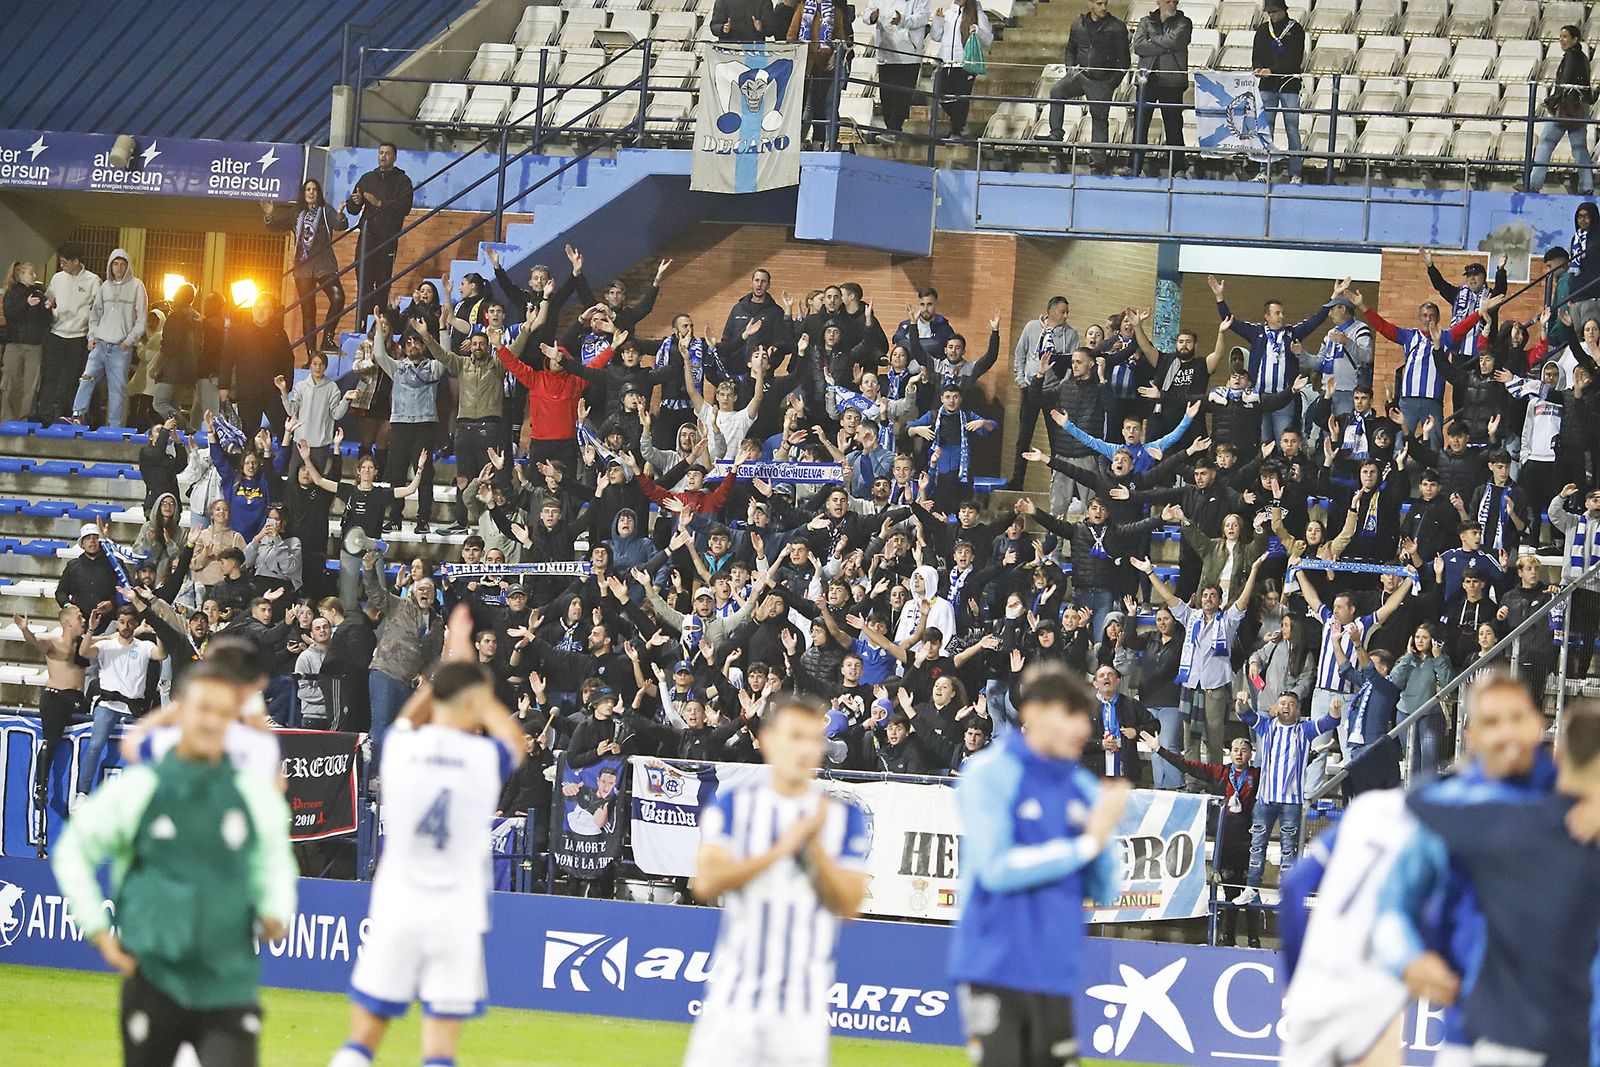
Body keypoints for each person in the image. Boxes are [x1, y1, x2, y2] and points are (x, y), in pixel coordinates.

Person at [51, 662, 295, 1067]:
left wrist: (276, 907)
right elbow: (73, 850)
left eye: (222, 712)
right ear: (180, 714)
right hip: (154, 979)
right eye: (203, 709)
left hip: (227, 983)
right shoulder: (143, 787)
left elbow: (275, 859)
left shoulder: (251, 793)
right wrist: (96, 927)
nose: (211, 721)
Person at [330, 635, 525, 1067]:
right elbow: (516, 741)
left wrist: (444, 677)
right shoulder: (483, 757)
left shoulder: (405, 748)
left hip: (400, 900)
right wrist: (478, 687)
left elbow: (405, 719)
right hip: (457, 911)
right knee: (440, 1045)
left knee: (363, 1039)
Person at [1396, 699, 1600, 1067]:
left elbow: (1420, 801)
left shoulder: (1512, 822)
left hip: (1500, 1039)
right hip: (1568, 1045)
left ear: (1559, 753)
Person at [948, 664, 1126, 1065]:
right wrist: (1085, 845)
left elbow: (1103, 888)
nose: (1083, 730)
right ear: (1036, 714)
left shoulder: (1080, 785)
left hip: (1054, 969)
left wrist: (1104, 834)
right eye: (1073, 718)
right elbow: (997, 869)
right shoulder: (988, 773)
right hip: (996, 965)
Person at [682, 694, 870, 1067]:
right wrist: (783, 847)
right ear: (768, 741)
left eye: (812, 739)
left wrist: (814, 851)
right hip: (733, 999)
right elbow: (706, 882)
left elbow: (849, 904)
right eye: (793, 736)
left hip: (802, 1007)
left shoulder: (842, 816)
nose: (803, 748)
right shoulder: (735, 804)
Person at [1276, 787, 1412, 1067]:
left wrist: (1295, 973)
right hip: (1375, 986)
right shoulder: (1445, 830)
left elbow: (1293, 885)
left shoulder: (1366, 810)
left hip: (1318, 981)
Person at [1134, 552, 1264, 765]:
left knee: (1213, 741)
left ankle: (1214, 785)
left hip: (1215, 689)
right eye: (1205, 595)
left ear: (1220, 600)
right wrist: (1150, 572)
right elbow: (1169, 598)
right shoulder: (1190, 617)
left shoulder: (1228, 621)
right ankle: (1193, 783)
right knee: (1190, 741)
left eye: (1213, 596)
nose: (1208, 599)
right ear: (1200, 598)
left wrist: (1254, 571)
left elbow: (1242, 601)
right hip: (1191, 685)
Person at [1232, 689, 1339, 905]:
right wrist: (1241, 702)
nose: (1286, 707)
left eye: (1291, 703)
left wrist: (1335, 711)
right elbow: (1246, 715)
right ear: (1276, 707)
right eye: (1282, 703)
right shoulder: (1267, 725)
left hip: (1292, 801)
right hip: (1265, 799)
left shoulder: (1305, 729)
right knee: (1257, 845)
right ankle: (1251, 887)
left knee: (1289, 849)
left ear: (1298, 709)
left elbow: (1329, 722)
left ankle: (1286, 892)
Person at [13, 606, 87, 816]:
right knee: (51, 740)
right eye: (79, 616)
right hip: (56, 696)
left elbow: (108, 640)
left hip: (77, 698)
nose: (83, 619)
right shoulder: (54, 642)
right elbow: (35, 642)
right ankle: (41, 785)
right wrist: (25, 630)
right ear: (68, 622)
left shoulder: (83, 643)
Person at [265, 178, 350, 360]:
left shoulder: (325, 211)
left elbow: (340, 225)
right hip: (303, 268)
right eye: (308, 190)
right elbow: (275, 226)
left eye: (314, 190)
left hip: (324, 264)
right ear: (303, 193)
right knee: (308, 310)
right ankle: (312, 355)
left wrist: (341, 215)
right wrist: (270, 213)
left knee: (338, 297)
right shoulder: (296, 213)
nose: (311, 193)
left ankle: (327, 338)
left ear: (319, 193)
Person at [1042, 0, 1128, 174]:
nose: (1103, 7)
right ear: (1090, 4)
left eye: (1105, 3)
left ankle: (1098, 162)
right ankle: (1056, 136)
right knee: (1056, 91)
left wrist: (1111, 83)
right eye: (1099, 3)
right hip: (1081, 75)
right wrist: (1070, 70)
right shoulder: (1078, 24)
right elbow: (1070, 49)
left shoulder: (1117, 27)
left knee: (1099, 118)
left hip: (1102, 81)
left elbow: (1124, 60)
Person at [67, 247, 147, 428]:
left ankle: (114, 427)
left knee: (117, 390)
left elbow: (141, 319)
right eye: (115, 264)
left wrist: (128, 341)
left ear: (128, 266)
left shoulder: (137, 286)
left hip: (120, 348)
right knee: (86, 379)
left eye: (122, 264)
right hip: (100, 344)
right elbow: (94, 315)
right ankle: (77, 416)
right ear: (110, 266)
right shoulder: (105, 287)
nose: (118, 268)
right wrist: (91, 337)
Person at [1008, 296, 1078, 489]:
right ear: (1051, 311)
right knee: (1024, 437)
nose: (1066, 315)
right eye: (1063, 311)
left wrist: (1061, 387)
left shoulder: (1071, 334)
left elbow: (1072, 364)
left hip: (1053, 391)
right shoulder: (1032, 327)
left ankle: (1057, 484)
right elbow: (1020, 353)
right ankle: (1017, 481)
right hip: (1031, 387)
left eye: (1067, 311)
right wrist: (1020, 380)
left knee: (1057, 440)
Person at [1520, 24, 1596, 196]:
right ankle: (1587, 186)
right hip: (1580, 106)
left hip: (1566, 106)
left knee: (1546, 142)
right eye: (1560, 36)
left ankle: (1533, 184)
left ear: (1574, 39)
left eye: (1565, 36)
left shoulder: (1570, 56)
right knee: (1579, 147)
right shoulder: (1582, 57)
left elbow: (1565, 82)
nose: (1561, 40)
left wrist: (1550, 101)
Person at [345, 142, 415, 322]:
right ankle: (362, 322)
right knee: (364, 281)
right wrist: (356, 201)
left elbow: (403, 208)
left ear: (395, 157)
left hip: (387, 239)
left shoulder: (403, 181)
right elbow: (353, 209)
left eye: (387, 153)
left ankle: (378, 323)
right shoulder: (367, 178)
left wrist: (379, 203)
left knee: (382, 282)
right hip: (367, 236)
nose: (383, 156)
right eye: (381, 153)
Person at [35, 242, 98, 424]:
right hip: (56, 334)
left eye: (64, 262)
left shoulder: (93, 281)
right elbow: (50, 299)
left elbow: (97, 309)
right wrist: (48, 305)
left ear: (76, 261)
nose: (61, 265)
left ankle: (66, 417)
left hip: (78, 338)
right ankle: (44, 417)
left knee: (70, 381)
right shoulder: (57, 278)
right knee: (49, 378)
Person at [1129, 0, 1192, 177]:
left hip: (1172, 81)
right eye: (1168, 1)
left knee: (1173, 127)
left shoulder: (1184, 22)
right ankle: (1134, 166)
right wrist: (1165, 47)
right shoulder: (1145, 21)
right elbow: (1139, 46)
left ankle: (1178, 168)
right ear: (1159, 2)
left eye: (1175, 1)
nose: (1172, 5)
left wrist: (1153, 40)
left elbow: (1176, 41)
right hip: (1146, 80)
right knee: (1140, 126)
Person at [1251, 0, 1306, 184]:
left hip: (1289, 84)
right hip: (1267, 85)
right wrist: (1258, 67)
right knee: (1266, 129)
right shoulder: (1262, 30)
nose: (1271, 15)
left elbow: (1295, 59)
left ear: (1283, 10)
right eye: (1269, 12)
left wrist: (1272, 70)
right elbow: (1256, 54)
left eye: (1274, 11)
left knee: (1292, 128)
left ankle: (1296, 172)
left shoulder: (1296, 30)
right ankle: (1263, 171)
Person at [865, 0, 930, 141]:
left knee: (901, 96)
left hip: (908, 56)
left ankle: (893, 130)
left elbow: (923, 17)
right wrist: (872, 16)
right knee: (886, 96)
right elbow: (867, 13)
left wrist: (903, 20)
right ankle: (891, 131)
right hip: (885, 53)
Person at [929, 0, 992, 139]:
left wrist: (978, 30)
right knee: (942, 97)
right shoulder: (948, 14)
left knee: (960, 100)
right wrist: (938, 20)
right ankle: (962, 125)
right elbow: (936, 36)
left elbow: (988, 39)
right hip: (946, 63)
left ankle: (956, 131)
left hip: (966, 64)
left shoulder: (978, 14)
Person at [2, 261, 49, 422]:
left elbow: (46, 319)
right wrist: (26, 304)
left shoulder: (38, 293)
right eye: (31, 273)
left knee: (30, 384)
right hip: (15, 343)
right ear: (21, 275)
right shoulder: (12, 293)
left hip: (34, 345)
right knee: (12, 382)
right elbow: (10, 314)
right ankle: (8, 418)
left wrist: (47, 308)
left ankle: (23, 418)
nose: (34, 276)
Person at [711, 0, 775, 41]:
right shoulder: (722, 1)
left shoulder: (764, 1)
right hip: (729, 50)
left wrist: (761, 27)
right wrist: (722, 28)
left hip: (755, 50)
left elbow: (771, 30)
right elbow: (714, 26)